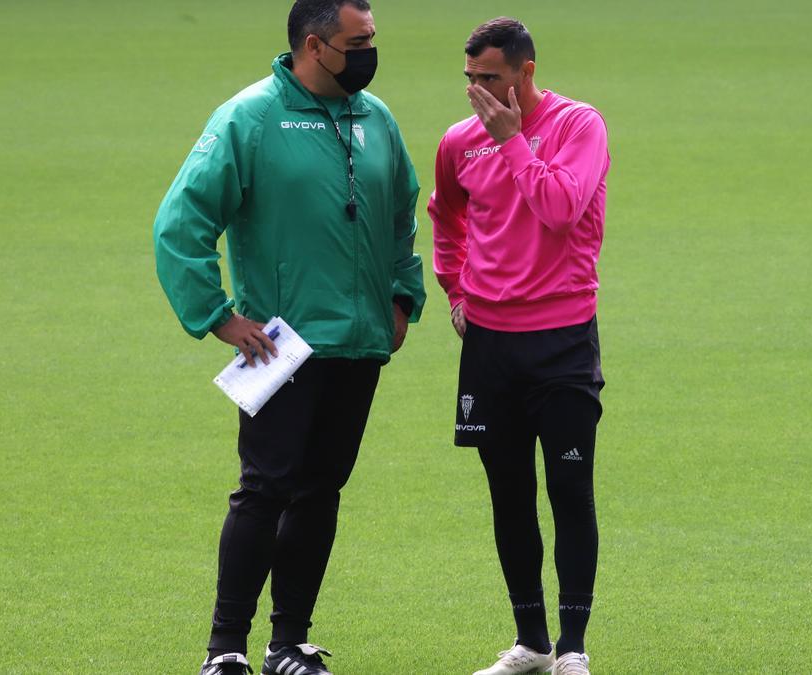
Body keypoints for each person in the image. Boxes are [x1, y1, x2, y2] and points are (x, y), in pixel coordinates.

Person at [152, 1, 424, 673]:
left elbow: (400, 216)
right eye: (356, 41)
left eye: (372, 40)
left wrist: (402, 296)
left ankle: (289, 644)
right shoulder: (250, 118)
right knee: (264, 490)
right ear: (314, 44)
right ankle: (225, 651)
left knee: (320, 491)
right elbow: (179, 223)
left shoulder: (377, 118)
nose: (369, 52)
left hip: (360, 344)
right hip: (280, 347)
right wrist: (218, 314)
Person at [428, 17, 610, 675]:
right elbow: (445, 217)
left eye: (491, 79)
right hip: (490, 346)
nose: (478, 93)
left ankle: (574, 647)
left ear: (525, 72)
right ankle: (531, 642)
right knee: (508, 492)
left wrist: (511, 142)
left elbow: (560, 207)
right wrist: (454, 288)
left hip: (561, 339)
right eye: (471, 79)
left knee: (568, 485)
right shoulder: (458, 142)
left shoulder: (578, 125)